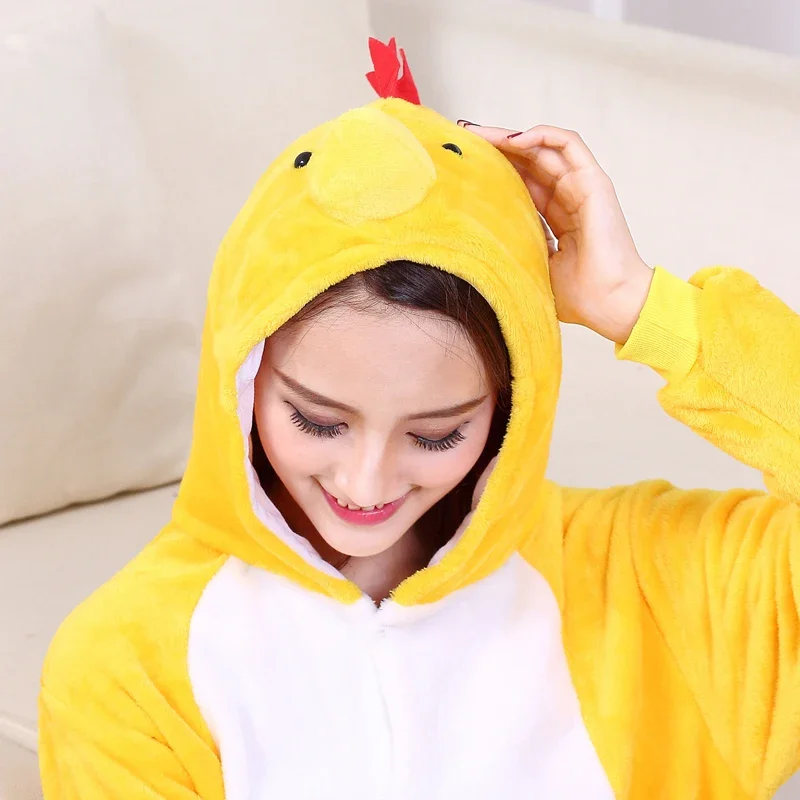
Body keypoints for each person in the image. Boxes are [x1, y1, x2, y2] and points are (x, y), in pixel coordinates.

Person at [38, 39, 800, 800]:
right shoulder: (126, 665)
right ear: (245, 376)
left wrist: (638, 305)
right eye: (317, 422)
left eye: (436, 434)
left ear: (510, 403)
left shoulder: (649, 579)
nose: (365, 483)